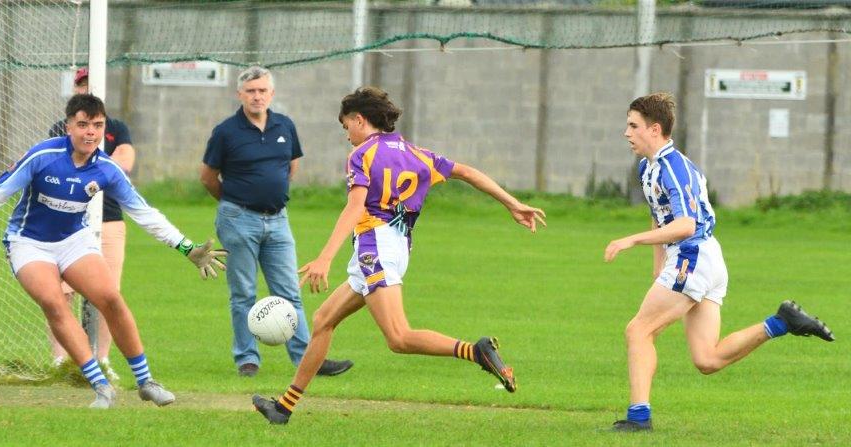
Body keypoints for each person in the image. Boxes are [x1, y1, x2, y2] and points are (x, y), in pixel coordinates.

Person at [0, 94, 227, 409]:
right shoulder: (42, 156)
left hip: (74, 239)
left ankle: (146, 383)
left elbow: (144, 212)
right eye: (83, 124)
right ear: (68, 127)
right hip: (28, 242)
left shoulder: (107, 169)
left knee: (111, 298)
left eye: (97, 125)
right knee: (54, 302)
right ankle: (100, 386)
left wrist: (186, 248)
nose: (90, 132)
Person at [252, 86, 547, 425]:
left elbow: (354, 206)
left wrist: (325, 257)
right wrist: (512, 202)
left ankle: (475, 351)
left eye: (346, 125)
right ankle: (284, 408)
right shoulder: (415, 152)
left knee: (399, 338)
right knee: (323, 321)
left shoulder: (362, 154)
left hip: (374, 248)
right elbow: (466, 171)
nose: (346, 135)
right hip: (395, 246)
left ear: (360, 120)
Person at [603, 92, 834, 432]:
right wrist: (658, 267)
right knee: (707, 359)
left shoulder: (672, 166)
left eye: (633, 126)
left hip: (693, 256)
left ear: (654, 129)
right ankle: (781, 322)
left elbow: (685, 225)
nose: (626, 133)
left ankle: (639, 419)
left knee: (639, 330)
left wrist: (631, 240)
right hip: (702, 260)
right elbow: (660, 216)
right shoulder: (648, 168)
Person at [200, 66, 352, 378]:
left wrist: (270, 195)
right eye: (251, 91)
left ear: (272, 94)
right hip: (238, 220)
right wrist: (234, 205)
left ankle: (306, 360)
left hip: (278, 222)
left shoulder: (285, 125)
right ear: (240, 94)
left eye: (262, 91)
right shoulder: (226, 131)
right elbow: (208, 177)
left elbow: (291, 167)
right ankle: (247, 359)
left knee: (289, 292)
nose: (257, 96)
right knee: (243, 292)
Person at [47, 67, 136, 381]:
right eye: (81, 85)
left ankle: (103, 359)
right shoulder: (61, 128)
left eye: (92, 85)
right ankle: (61, 359)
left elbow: (125, 160)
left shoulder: (117, 128)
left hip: (110, 220)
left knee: (108, 294)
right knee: (61, 292)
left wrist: (101, 164)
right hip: (68, 220)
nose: (86, 89)